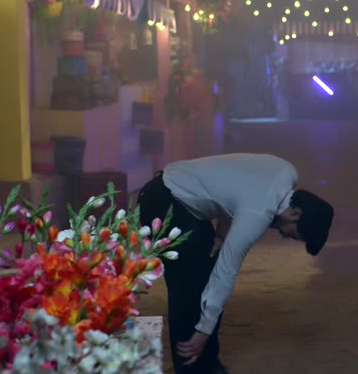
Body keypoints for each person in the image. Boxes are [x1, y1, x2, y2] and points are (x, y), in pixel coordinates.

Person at [137, 153, 334, 373]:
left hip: (186, 202)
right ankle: (190, 365)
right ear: (295, 214)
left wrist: (221, 234)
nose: (288, 238)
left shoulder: (287, 172)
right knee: (188, 287)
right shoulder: (258, 214)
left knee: (208, 280)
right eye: (295, 235)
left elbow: (238, 186)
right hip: (160, 200)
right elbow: (225, 272)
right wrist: (203, 332)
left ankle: (209, 363)